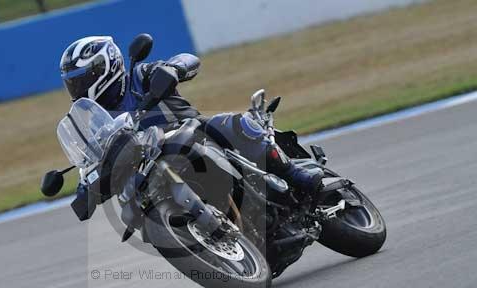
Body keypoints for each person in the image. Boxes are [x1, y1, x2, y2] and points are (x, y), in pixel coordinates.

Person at [59, 36, 323, 193]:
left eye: (82, 79)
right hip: (153, 164)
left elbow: (188, 59)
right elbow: (94, 156)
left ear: (106, 66)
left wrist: (173, 69)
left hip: (196, 134)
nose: (78, 87)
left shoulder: (140, 76)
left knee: (233, 123)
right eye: (72, 82)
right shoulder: (97, 119)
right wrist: (85, 185)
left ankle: (294, 174)